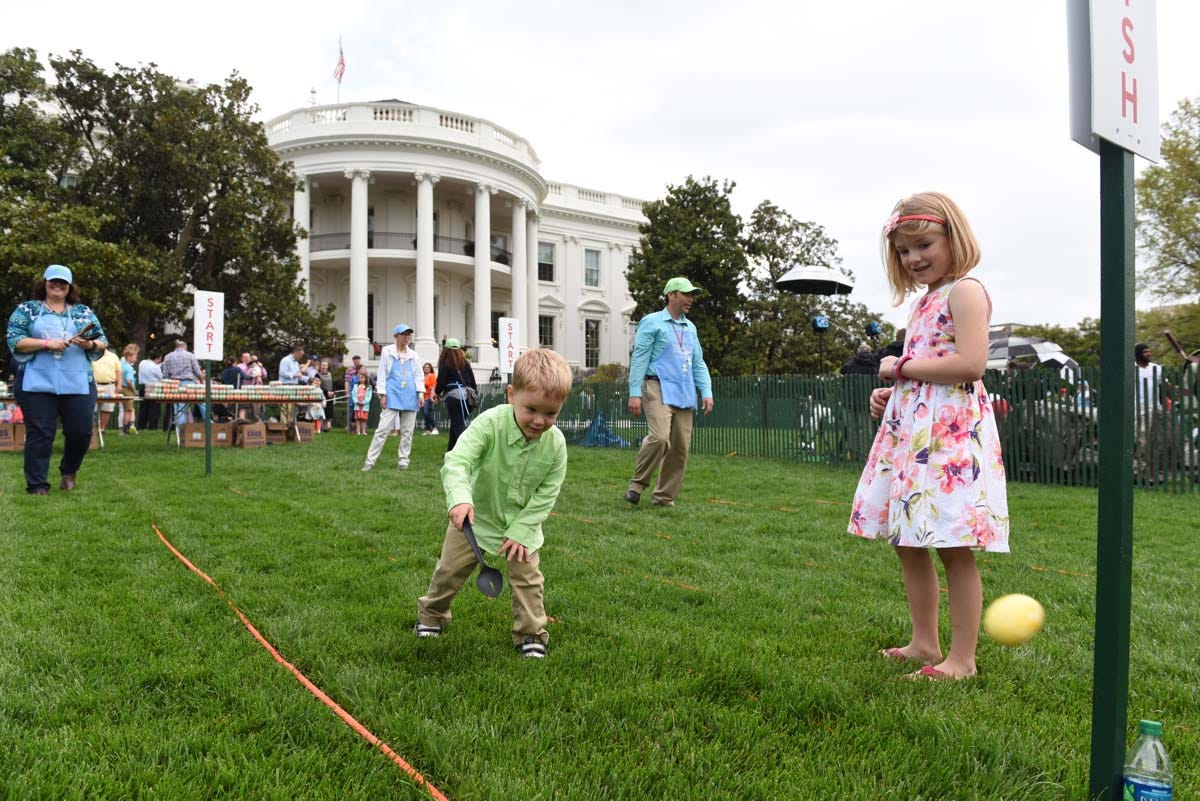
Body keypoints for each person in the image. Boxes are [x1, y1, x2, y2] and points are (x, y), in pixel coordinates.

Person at [847, 192, 1009, 681]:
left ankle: (962, 659)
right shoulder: (923, 303)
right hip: (915, 431)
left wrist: (900, 365)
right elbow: (922, 371)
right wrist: (891, 392)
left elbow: (971, 365)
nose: (914, 258)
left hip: (950, 436)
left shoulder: (966, 291)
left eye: (923, 244)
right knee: (907, 539)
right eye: (903, 251)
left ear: (952, 237)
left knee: (952, 545)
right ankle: (924, 642)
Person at [414, 348, 573, 659]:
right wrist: (460, 499)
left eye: (551, 413)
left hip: (521, 528)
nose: (540, 421)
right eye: (532, 409)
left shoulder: (556, 446)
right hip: (474, 518)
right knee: (448, 571)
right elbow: (458, 460)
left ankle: (531, 633)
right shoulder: (489, 424)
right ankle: (432, 614)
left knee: (528, 581)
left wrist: (523, 529)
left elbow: (547, 493)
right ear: (511, 394)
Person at [5, 264, 109, 495]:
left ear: (70, 286)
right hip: (36, 380)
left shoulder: (83, 312)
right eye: (53, 280)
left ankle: (69, 471)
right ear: (44, 282)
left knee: (81, 431)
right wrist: (45, 343)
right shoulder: (28, 309)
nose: (58, 285)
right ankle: (37, 485)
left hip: (78, 380)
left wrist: (89, 344)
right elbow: (15, 340)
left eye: (63, 282)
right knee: (41, 432)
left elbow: (102, 342)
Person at [623, 276, 714, 508]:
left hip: (683, 389)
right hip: (656, 386)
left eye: (692, 294)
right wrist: (634, 392)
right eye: (686, 294)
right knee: (660, 437)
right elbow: (640, 357)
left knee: (680, 447)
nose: (690, 299)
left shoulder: (690, 327)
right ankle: (637, 484)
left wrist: (706, 390)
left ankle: (664, 497)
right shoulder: (652, 322)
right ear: (671, 295)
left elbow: (698, 362)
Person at [362, 324, 424, 471]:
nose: (406, 337)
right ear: (396, 336)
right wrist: (382, 394)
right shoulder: (387, 351)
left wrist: (420, 393)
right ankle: (370, 461)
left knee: (407, 431)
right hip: (392, 394)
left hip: (410, 394)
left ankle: (403, 461)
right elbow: (382, 373)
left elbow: (418, 375)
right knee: (382, 429)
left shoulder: (414, 355)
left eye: (408, 335)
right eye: (404, 334)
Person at [434, 338, 478, 452]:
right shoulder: (465, 362)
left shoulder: (445, 362)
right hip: (468, 398)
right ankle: (450, 452)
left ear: (445, 350)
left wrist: (437, 393)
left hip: (454, 398)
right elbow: (473, 382)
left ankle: (468, 453)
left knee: (458, 427)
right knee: (456, 424)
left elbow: (441, 380)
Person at [1133, 342, 1166, 483]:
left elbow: (1163, 386)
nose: (1149, 354)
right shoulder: (1130, 368)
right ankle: (1138, 471)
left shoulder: (1157, 369)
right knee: (1139, 438)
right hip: (1136, 406)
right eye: (1146, 352)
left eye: (1149, 352)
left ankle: (1151, 472)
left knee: (1153, 441)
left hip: (1154, 406)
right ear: (1138, 354)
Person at [161, 339, 205, 426]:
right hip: (188, 383)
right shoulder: (191, 356)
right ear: (185, 347)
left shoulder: (167, 356)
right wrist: (201, 382)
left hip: (174, 383)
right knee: (201, 401)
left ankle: (181, 427)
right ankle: (208, 422)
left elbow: (165, 374)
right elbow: (198, 372)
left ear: (176, 347)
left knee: (179, 405)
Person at [92, 343, 121, 433]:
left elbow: (118, 371)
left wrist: (119, 385)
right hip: (94, 385)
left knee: (107, 408)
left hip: (110, 385)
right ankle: (92, 429)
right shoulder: (92, 355)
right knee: (91, 408)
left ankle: (102, 429)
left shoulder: (113, 356)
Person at [137, 352, 164, 431]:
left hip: (142, 387)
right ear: (157, 358)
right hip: (153, 387)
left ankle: (141, 425)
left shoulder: (142, 363)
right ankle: (152, 426)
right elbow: (161, 377)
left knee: (143, 407)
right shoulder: (155, 367)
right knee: (154, 408)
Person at [278, 344, 304, 425]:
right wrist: (295, 375)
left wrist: (309, 379)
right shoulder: (285, 360)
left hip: (294, 386)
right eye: (301, 355)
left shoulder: (296, 363)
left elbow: (299, 376)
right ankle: (283, 425)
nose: (301, 357)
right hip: (286, 385)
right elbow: (282, 373)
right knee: (285, 407)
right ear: (296, 353)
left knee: (292, 407)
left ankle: (290, 426)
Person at [119, 344, 139, 434]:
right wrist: (134, 390)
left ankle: (126, 428)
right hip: (128, 389)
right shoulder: (129, 368)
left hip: (122, 388)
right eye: (135, 357)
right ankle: (125, 429)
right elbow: (129, 381)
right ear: (129, 356)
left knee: (127, 409)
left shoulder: (121, 364)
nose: (136, 359)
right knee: (129, 410)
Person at [344, 355, 363, 433]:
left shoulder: (363, 369)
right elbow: (347, 381)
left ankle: (360, 428)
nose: (357, 362)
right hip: (352, 394)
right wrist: (347, 392)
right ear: (353, 361)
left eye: (358, 360)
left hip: (362, 395)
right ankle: (350, 428)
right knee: (351, 411)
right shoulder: (350, 370)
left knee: (361, 411)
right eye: (355, 360)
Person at [420, 361, 439, 435]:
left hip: (428, 396)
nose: (426, 368)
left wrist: (433, 397)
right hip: (421, 397)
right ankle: (428, 430)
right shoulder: (421, 376)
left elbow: (433, 387)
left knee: (426, 413)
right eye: (425, 367)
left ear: (430, 368)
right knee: (424, 414)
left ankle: (434, 428)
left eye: (428, 367)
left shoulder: (432, 376)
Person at [351, 370, 373, 435]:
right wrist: (356, 401)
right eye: (359, 377)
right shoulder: (356, 386)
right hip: (357, 405)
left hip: (364, 406)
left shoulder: (369, 387)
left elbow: (369, 396)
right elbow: (353, 394)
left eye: (362, 377)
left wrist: (364, 402)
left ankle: (363, 431)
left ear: (366, 378)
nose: (361, 379)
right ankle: (358, 431)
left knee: (364, 419)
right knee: (357, 419)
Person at [318, 359, 334, 431]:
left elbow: (333, 384)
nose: (324, 367)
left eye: (326, 365)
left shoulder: (330, 374)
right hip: (322, 395)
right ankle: (321, 427)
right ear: (320, 366)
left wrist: (333, 392)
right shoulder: (317, 375)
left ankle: (328, 426)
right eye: (323, 365)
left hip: (330, 396)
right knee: (323, 411)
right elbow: (318, 386)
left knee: (329, 411)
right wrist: (326, 392)